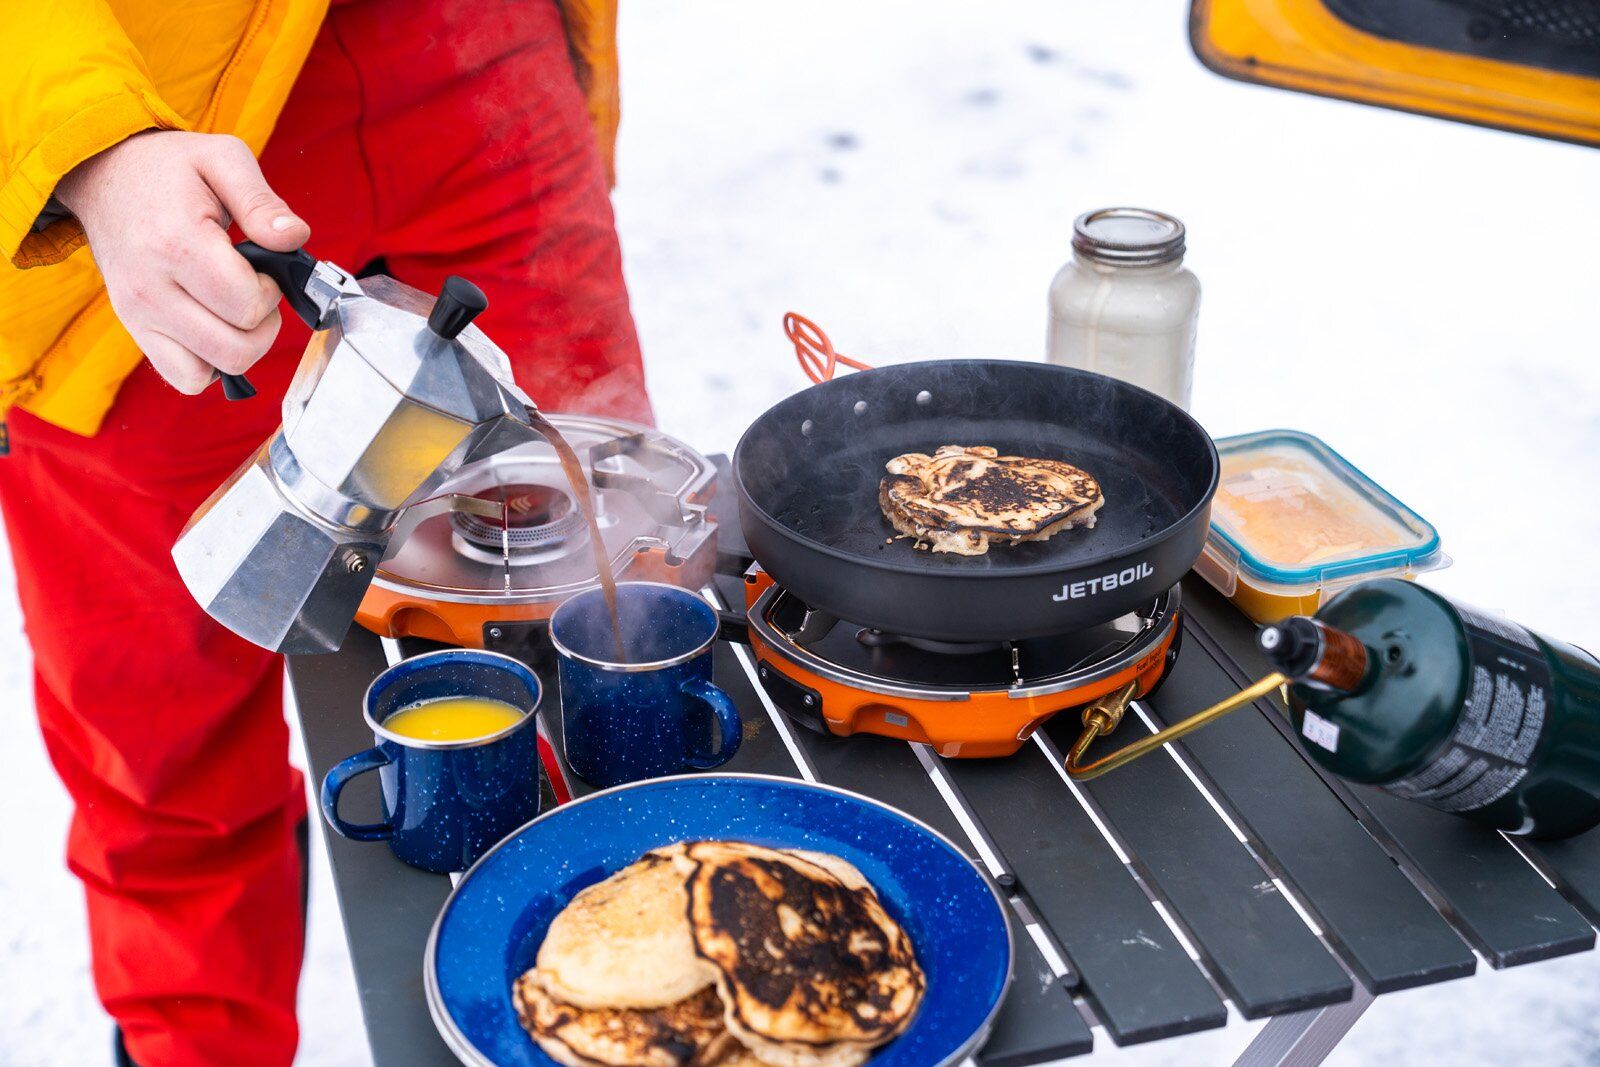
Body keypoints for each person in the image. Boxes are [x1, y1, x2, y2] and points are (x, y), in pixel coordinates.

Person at [0, 1, 652, 1063]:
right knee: (166, 749)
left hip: (473, 64)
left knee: (597, 642)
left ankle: (638, 1005)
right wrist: (80, 138)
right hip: (131, 132)